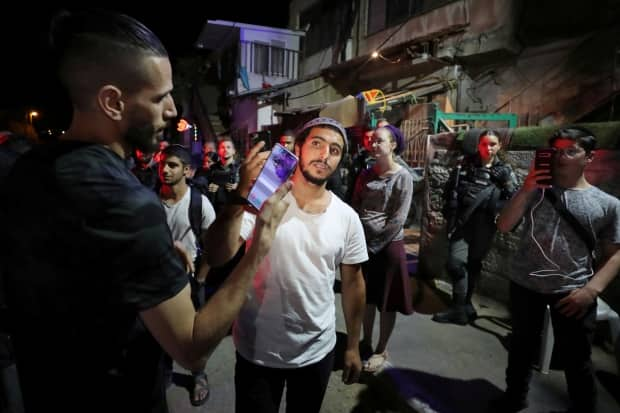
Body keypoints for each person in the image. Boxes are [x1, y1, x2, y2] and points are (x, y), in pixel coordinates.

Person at [0, 10, 290, 413]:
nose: (172, 110)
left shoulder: (26, 167)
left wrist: (145, 262)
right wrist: (262, 242)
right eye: (159, 97)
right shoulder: (128, 203)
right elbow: (192, 348)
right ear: (112, 102)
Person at [205, 117, 368, 413]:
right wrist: (239, 196)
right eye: (316, 144)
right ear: (299, 148)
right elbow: (217, 255)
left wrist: (354, 346)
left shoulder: (347, 218)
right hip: (257, 351)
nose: (324, 155)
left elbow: (354, 283)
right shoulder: (266, 197)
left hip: (316, 351)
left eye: (335, 150)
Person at [494, 126, 620, 413]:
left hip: (572, 289)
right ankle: (513, 399)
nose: (561, 157)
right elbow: (503, 225)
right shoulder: (534, 192)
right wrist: (526, 189)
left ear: (589, 157)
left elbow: (615, 256)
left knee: (577, 360)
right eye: (557, 150)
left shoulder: (608, 204)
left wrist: (591, 291)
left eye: (571, 151)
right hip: (526, 283)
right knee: (521, 351)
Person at [433, 129, 516, 325]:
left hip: (485, 225)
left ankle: (464, 304)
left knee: (473, 265)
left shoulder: (505, 170)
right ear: (478, 145)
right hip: (463, 222)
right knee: (455, 264)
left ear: (499, 146)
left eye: (492, 144)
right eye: (484, 144)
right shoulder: (465, 165)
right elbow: (450, 190)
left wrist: (506, 182)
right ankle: (458, 309)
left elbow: (515, 198)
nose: (488, 148)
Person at [351, 124, 414, 373]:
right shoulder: (365, 174)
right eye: (372, 141)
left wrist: (374, 245)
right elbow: (355, 205)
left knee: (387, 302)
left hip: (388, 248)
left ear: (393, 145)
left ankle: (381, 348)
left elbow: (399, 218)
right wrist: (357, 240)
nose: (374, 145)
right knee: (366, 299)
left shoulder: (403, 177)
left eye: (380, 141)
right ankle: (366, 341)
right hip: (363, 246)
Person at [158, 144, 216, 406]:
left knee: (193, 333)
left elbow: (212, 246)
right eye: (162, 164)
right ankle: (164, 373)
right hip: (159, 278)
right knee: (160, 329)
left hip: (190, 278)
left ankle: (198, 375)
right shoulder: (150, 200)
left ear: (187, 170)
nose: (165, 170)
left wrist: (201, 278)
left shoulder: (198, 203)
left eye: (172, 165)